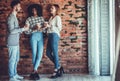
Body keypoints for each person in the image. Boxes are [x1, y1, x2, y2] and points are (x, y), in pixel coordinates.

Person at [7, 0, 29, 81]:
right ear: (15, 6)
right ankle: (11, 77)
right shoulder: (10, 17)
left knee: (16, 59)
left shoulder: (14, 17)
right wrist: (23, 29)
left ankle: (15, 74)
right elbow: (11, 31)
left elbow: (16, 29)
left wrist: (23, 28)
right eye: (19, 6)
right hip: (11, 42)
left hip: (16, 42)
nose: (20, 8)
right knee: (12, 60)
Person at [25, 4, 44, 80]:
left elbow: (45, 30)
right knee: (34, 53)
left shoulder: (41, 18)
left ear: (38, 10)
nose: (34, 11)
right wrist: (34, 28)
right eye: (32, 10)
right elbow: (26, 31)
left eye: (35, 10)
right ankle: (35, 71)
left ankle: (34, 71)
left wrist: (44, 27)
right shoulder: (29, 19)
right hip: (33, 36)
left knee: (40, 54)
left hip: (41, 36)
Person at [45, 4, 64, 78]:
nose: (50, 9)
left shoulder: (57, 17)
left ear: (56, 9)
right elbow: (49, 28)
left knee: (55, 52)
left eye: (52, 8)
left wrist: (49, 26)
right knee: (48, 53)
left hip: (54, 35)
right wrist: (46, 27)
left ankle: (56, 70)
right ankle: (59, 66)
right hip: (50, 35)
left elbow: (59, 28)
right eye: (50, 8)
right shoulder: (50, 18)